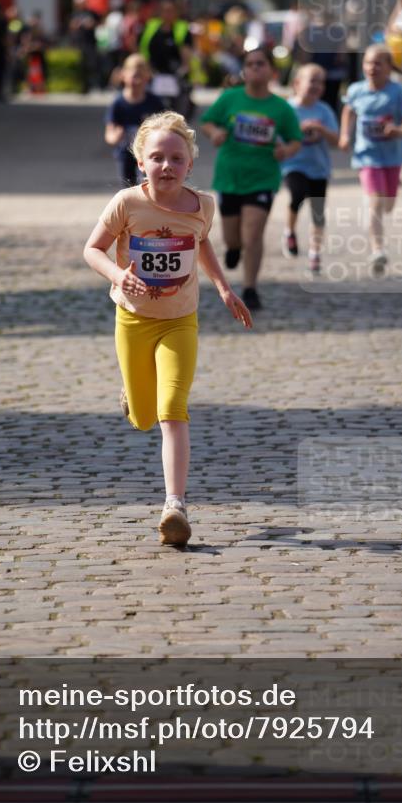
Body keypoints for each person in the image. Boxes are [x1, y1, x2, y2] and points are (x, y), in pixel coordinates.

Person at [83, 111, 251, 546]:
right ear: (141, 162)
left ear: (190, 163)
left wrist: (224, 288)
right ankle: (131, 396)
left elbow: (203, 241)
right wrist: (118, 276)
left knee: (172, 408)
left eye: (176, 159)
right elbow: (92, 249)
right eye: (157, 158)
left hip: (181, 321)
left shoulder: (203, 205)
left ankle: (174, 506)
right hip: (134, 320)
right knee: (142, 417)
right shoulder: (126, 203)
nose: (167, 167)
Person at [200, 46, 302, 310]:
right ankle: (233, 249)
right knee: (233, 238)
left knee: (253, 234)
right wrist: (215, 133)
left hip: (262, 178)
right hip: (230, 176)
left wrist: (285, 151)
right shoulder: (230, 98)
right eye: (250, 64)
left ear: (271, 71)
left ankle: (250, 288)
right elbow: (207, 122)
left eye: (260, 64)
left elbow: (295, 140)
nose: (255, 68)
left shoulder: (280, 107)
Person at [339, 45, 402, 276]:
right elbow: (349, 111)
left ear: (389, 68)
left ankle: (378, 220)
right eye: (368, 63)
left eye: (377, 63)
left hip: (393, 156)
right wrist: (345, 135)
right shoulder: (356, 90)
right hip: (367, 155)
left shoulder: (398, 93)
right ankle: (378, 250)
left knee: (388, 205)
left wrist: (398, 130)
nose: (371, 68)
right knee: (374, 202)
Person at [281, 64, 339, 275]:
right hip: (293, 165)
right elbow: (278, 137)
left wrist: (321, 129)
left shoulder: (324, 110)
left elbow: (336, 140)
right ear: (297, 84)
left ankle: (315, 254)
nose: (316, 85)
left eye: (320, 82)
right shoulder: (287, 109)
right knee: (297, 194)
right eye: (312, 80)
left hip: (319, 168)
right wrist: (299, 131)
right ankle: (289, 231)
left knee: (318, 213)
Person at [104, 54, 164, 187]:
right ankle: (131, 206)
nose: (137, 82)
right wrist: (114, 137)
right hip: (125, 153)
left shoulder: (154, 102)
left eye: (141, 77)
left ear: (148, 77)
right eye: (134, 77)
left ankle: (147, 206)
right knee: (128, 186)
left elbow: (164, 125)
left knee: (147, 184)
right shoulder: (118, 104)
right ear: (123, 76)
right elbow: (110, 131)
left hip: (148, 153)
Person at [139, 0, 194, 116]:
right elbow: (143, 47)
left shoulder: (182, 27)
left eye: (171, 11)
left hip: (175, 74)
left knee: (178, 108)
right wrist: (146, 68)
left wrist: (185, 68)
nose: (167, 14)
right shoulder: (151, 26)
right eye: (164, 11)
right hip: (154, 73)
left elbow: (186, 50)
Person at [69, 0, 100, 93]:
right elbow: (71, 26)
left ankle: (94, 85)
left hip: (90, 42)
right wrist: (76, 25)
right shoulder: (74, 14)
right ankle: (83, 87)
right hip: (78, 43)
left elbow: (98, 22)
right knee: (81, 66)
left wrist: (91, 24)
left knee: (92, 64)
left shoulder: (91, 13)